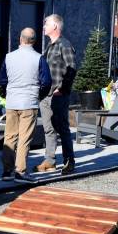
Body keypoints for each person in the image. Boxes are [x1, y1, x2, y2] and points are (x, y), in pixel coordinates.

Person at [0, 27, 51, 184]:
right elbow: (46, 82)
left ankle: (7, 171)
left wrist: (7, 94)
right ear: (34, 41)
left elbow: (1, 80)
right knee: (24, 138)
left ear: (20, 39)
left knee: (10, 136)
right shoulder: (39, 58)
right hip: (29, 102)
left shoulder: (9, 57)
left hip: (12, 102)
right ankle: (21, 171)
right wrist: (39, 96)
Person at [36, 14, 77, 176]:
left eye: (46, 24)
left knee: (62, 128)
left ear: (55, 26)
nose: (43, 26)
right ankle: (50, 160)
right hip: (45, 95)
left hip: (58, 95)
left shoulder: (64, 45)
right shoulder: (49, 46)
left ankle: (69, 161)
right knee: (48, 128)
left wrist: (63, 89)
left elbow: (72, 68)